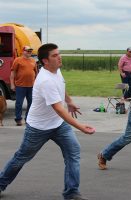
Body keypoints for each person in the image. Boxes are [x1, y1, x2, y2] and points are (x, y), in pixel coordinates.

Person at [0, 43, 95, 200]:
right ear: (45, 61)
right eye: (55, 55)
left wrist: (70, 101)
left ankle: (71, 193)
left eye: (59, 54)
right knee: (21, 158)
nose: (59, 57)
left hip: (58, 124)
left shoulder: (56, 72)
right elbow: (58, 108)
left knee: (73, 152)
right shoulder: (45, 80)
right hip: (38, 128)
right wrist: (80, 127)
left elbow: (61, 89)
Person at [10, 46, 38, 126]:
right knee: (19, 103)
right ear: (23, 51)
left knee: (31, 103)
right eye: (28, 51)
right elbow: (13, 73)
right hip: (20, 86)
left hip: (31, 86)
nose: (29, 52)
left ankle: (28, 119)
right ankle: (18, 119)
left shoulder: (33, 60)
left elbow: (36, 73)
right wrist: (12, 84)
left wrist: (36, 84)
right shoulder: (18, 60)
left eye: (30, 51)